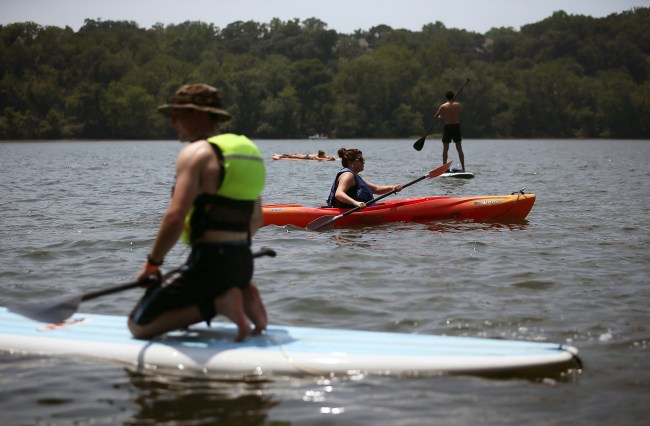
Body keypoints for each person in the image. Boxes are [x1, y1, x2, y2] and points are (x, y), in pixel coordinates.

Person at [128, 83, 267, 342]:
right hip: (243, 262)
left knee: (138, 324)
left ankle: (220, 304)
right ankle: (242, 292)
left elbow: (175, 217)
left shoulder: (195, 153)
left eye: (177, 113)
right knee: (208, 283)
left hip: (209, 262)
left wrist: (152, 265)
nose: (172, 121)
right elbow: (257, 219)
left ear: (198, 114)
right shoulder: (247, 152)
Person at [326, 147, 402, 208]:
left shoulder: (355, 177)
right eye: (360, 159)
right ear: (351, 163)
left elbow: (376, 189)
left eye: (363, 159)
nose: (363, 162)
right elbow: (339, 194)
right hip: (349, 210)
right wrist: (356, 203)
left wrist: (393, 188)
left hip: (357, 208)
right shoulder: (348, 175)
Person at [434, 90, 465, 172]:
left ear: (446, 97)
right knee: (459, 148)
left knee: (445, 149)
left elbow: (436, 117)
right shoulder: (458, 105)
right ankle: (463, 168)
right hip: (456, 127)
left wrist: (440, 116)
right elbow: (456, 111)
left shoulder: (443, 106)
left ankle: (444, 168)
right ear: (453, 97)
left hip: (448, 127)